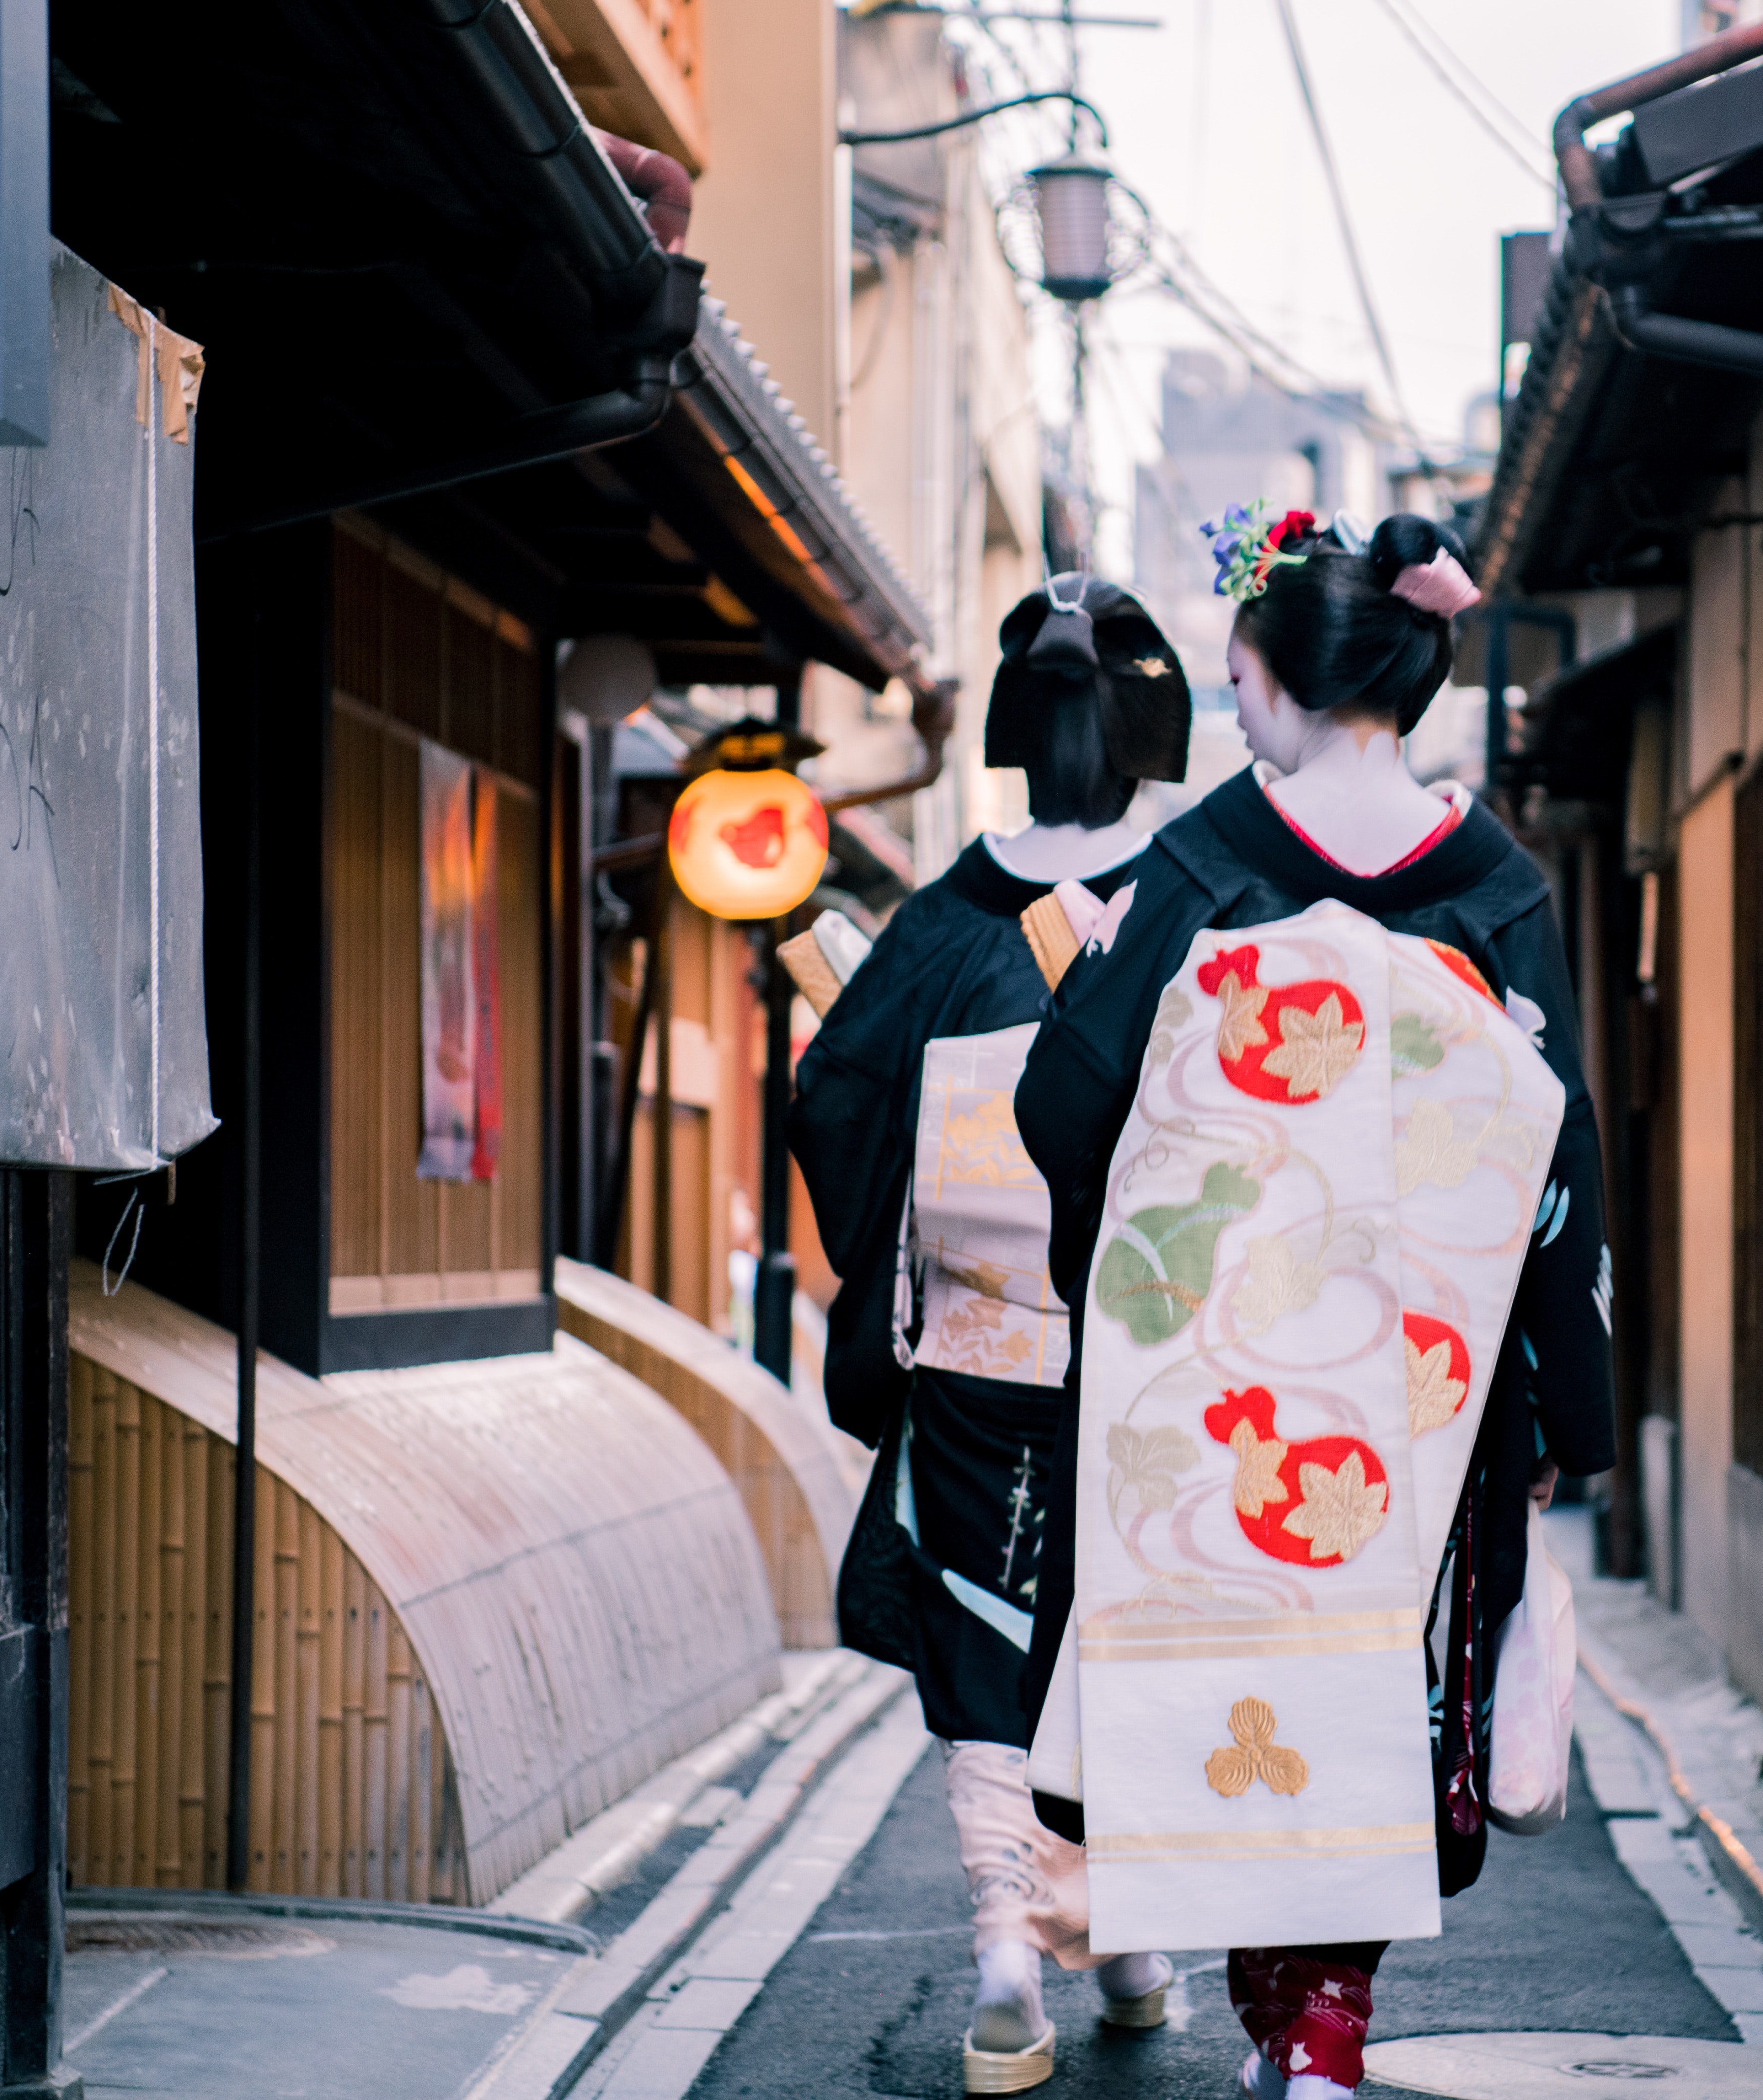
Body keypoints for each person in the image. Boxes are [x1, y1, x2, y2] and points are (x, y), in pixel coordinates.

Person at [1011, 509, 1617, 2100]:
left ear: (1278, 678)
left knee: (1220, 1686)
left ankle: (1297, 2021)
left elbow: (1070, 1107)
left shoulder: (1207, 862)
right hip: (1423, 1388)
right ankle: (1326, 2026)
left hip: (1214, 1378)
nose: (1233, 703)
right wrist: (1567, 1398)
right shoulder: (1492, 885)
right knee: (1380, 1684)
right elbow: (1559, 1161)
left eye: (1234, 674)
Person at [789, 575, 1192, 2095]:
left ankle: (1008, 1959)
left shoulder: (945, 920)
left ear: (1013, 733)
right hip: (1153, 1353)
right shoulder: (1201, 892)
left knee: (984, 1636)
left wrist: (900, 1244)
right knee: (1125, 1637)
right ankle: (1135, 1940)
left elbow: (832, 1097)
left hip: (974, 1353)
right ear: (1156, 724)